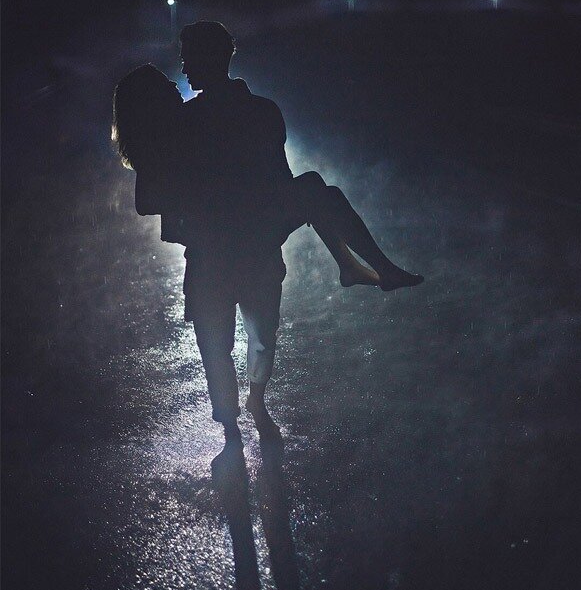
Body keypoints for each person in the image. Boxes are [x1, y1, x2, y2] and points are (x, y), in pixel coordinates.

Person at [112, 22, 423, 443]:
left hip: (251, 239)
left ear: (214, 57)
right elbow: (150, 197)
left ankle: (253, 403)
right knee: (217, 345)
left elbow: (278, 179)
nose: (183, 69)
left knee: (260, 338)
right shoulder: (191, 121)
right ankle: (230, 421)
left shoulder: (252, 113)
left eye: (188, 58)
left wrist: (226, 197)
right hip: (214, 247)